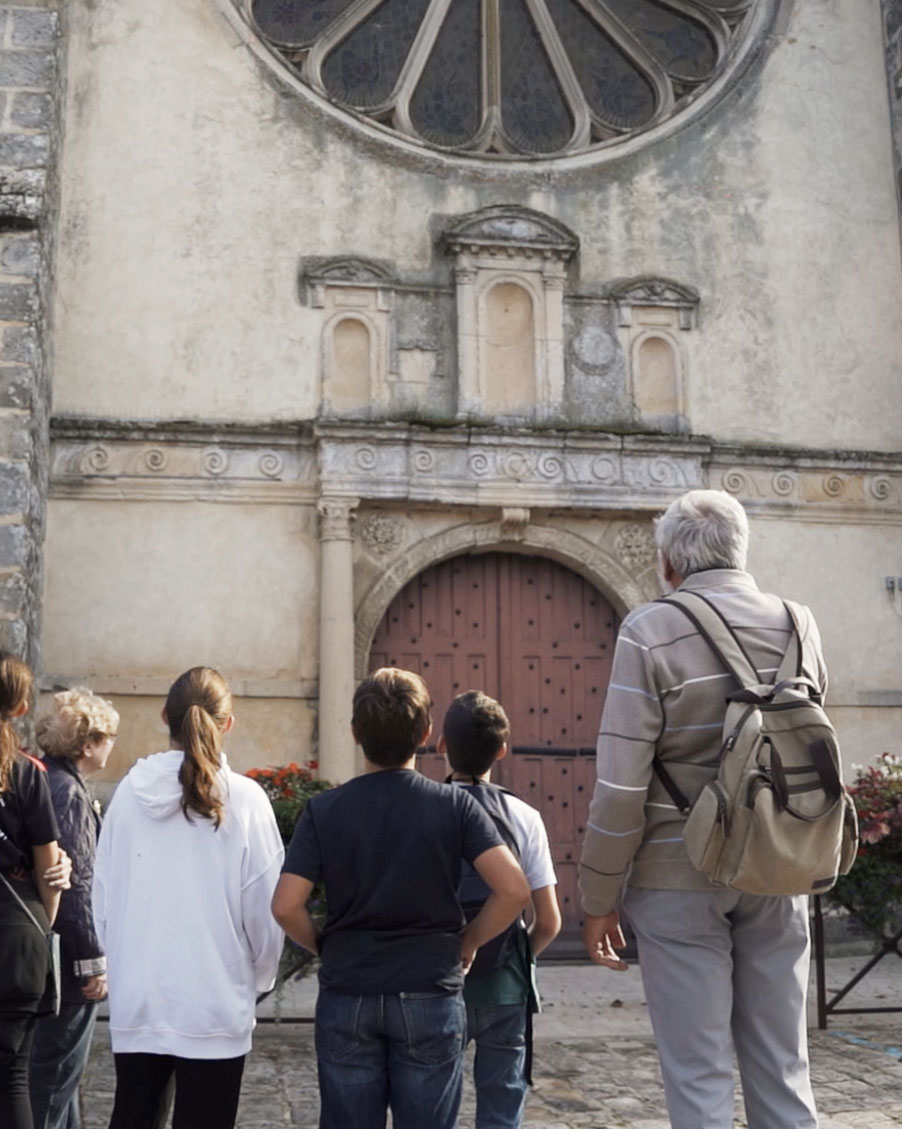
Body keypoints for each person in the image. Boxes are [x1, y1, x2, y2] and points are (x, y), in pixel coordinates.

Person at [579, 489, 827, 1129]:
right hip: (782, 861)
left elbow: (622, 786)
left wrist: (599, 895)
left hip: (677, 871)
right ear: (741, 549)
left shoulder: (650, 629)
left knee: (698, 1074)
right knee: (783, 1066)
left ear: (668, 563)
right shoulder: (798, 623)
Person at [272, 667, 531, 1129]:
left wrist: (325, 945)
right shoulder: (455, 807)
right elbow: (513, 889)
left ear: (355, 733)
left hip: (349, 988)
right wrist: (469, 941)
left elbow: (285, 905)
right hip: (430, 987)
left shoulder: (324, 810)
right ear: (427, 733)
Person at [93, 667, 285, 1129]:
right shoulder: (246, 800)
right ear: (229, 723)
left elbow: (102, 899)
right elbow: (266, 912)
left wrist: (121, 967)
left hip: (140, 996)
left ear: (165, 717)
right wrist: (256, 981)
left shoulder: (128, 798)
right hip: (214, 1002)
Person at [440, 690, 561, 1129]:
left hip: (438, 981)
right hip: (506, 988)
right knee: (501, 1109)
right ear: (503, 750)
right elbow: (548, 922)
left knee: (434, 1107)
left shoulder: (428, 811)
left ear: (441, 745)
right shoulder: (524, 816)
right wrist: (511, 954)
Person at [29, 688, 119, 1129]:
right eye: (108, 738)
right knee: (54, 1077)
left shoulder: (44, 778)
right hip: (66, 958)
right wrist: (92, 964)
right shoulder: (69, 793)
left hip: (43, 949)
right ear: (88, 744)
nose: (111, 746)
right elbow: (79, 884)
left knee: (62, 1080)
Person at [0, 652, 72, 1129]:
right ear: (21, 707)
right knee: (12, 1078)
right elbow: (50, 867)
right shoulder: (26, 772)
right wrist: (43, 921)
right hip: (16, 936)